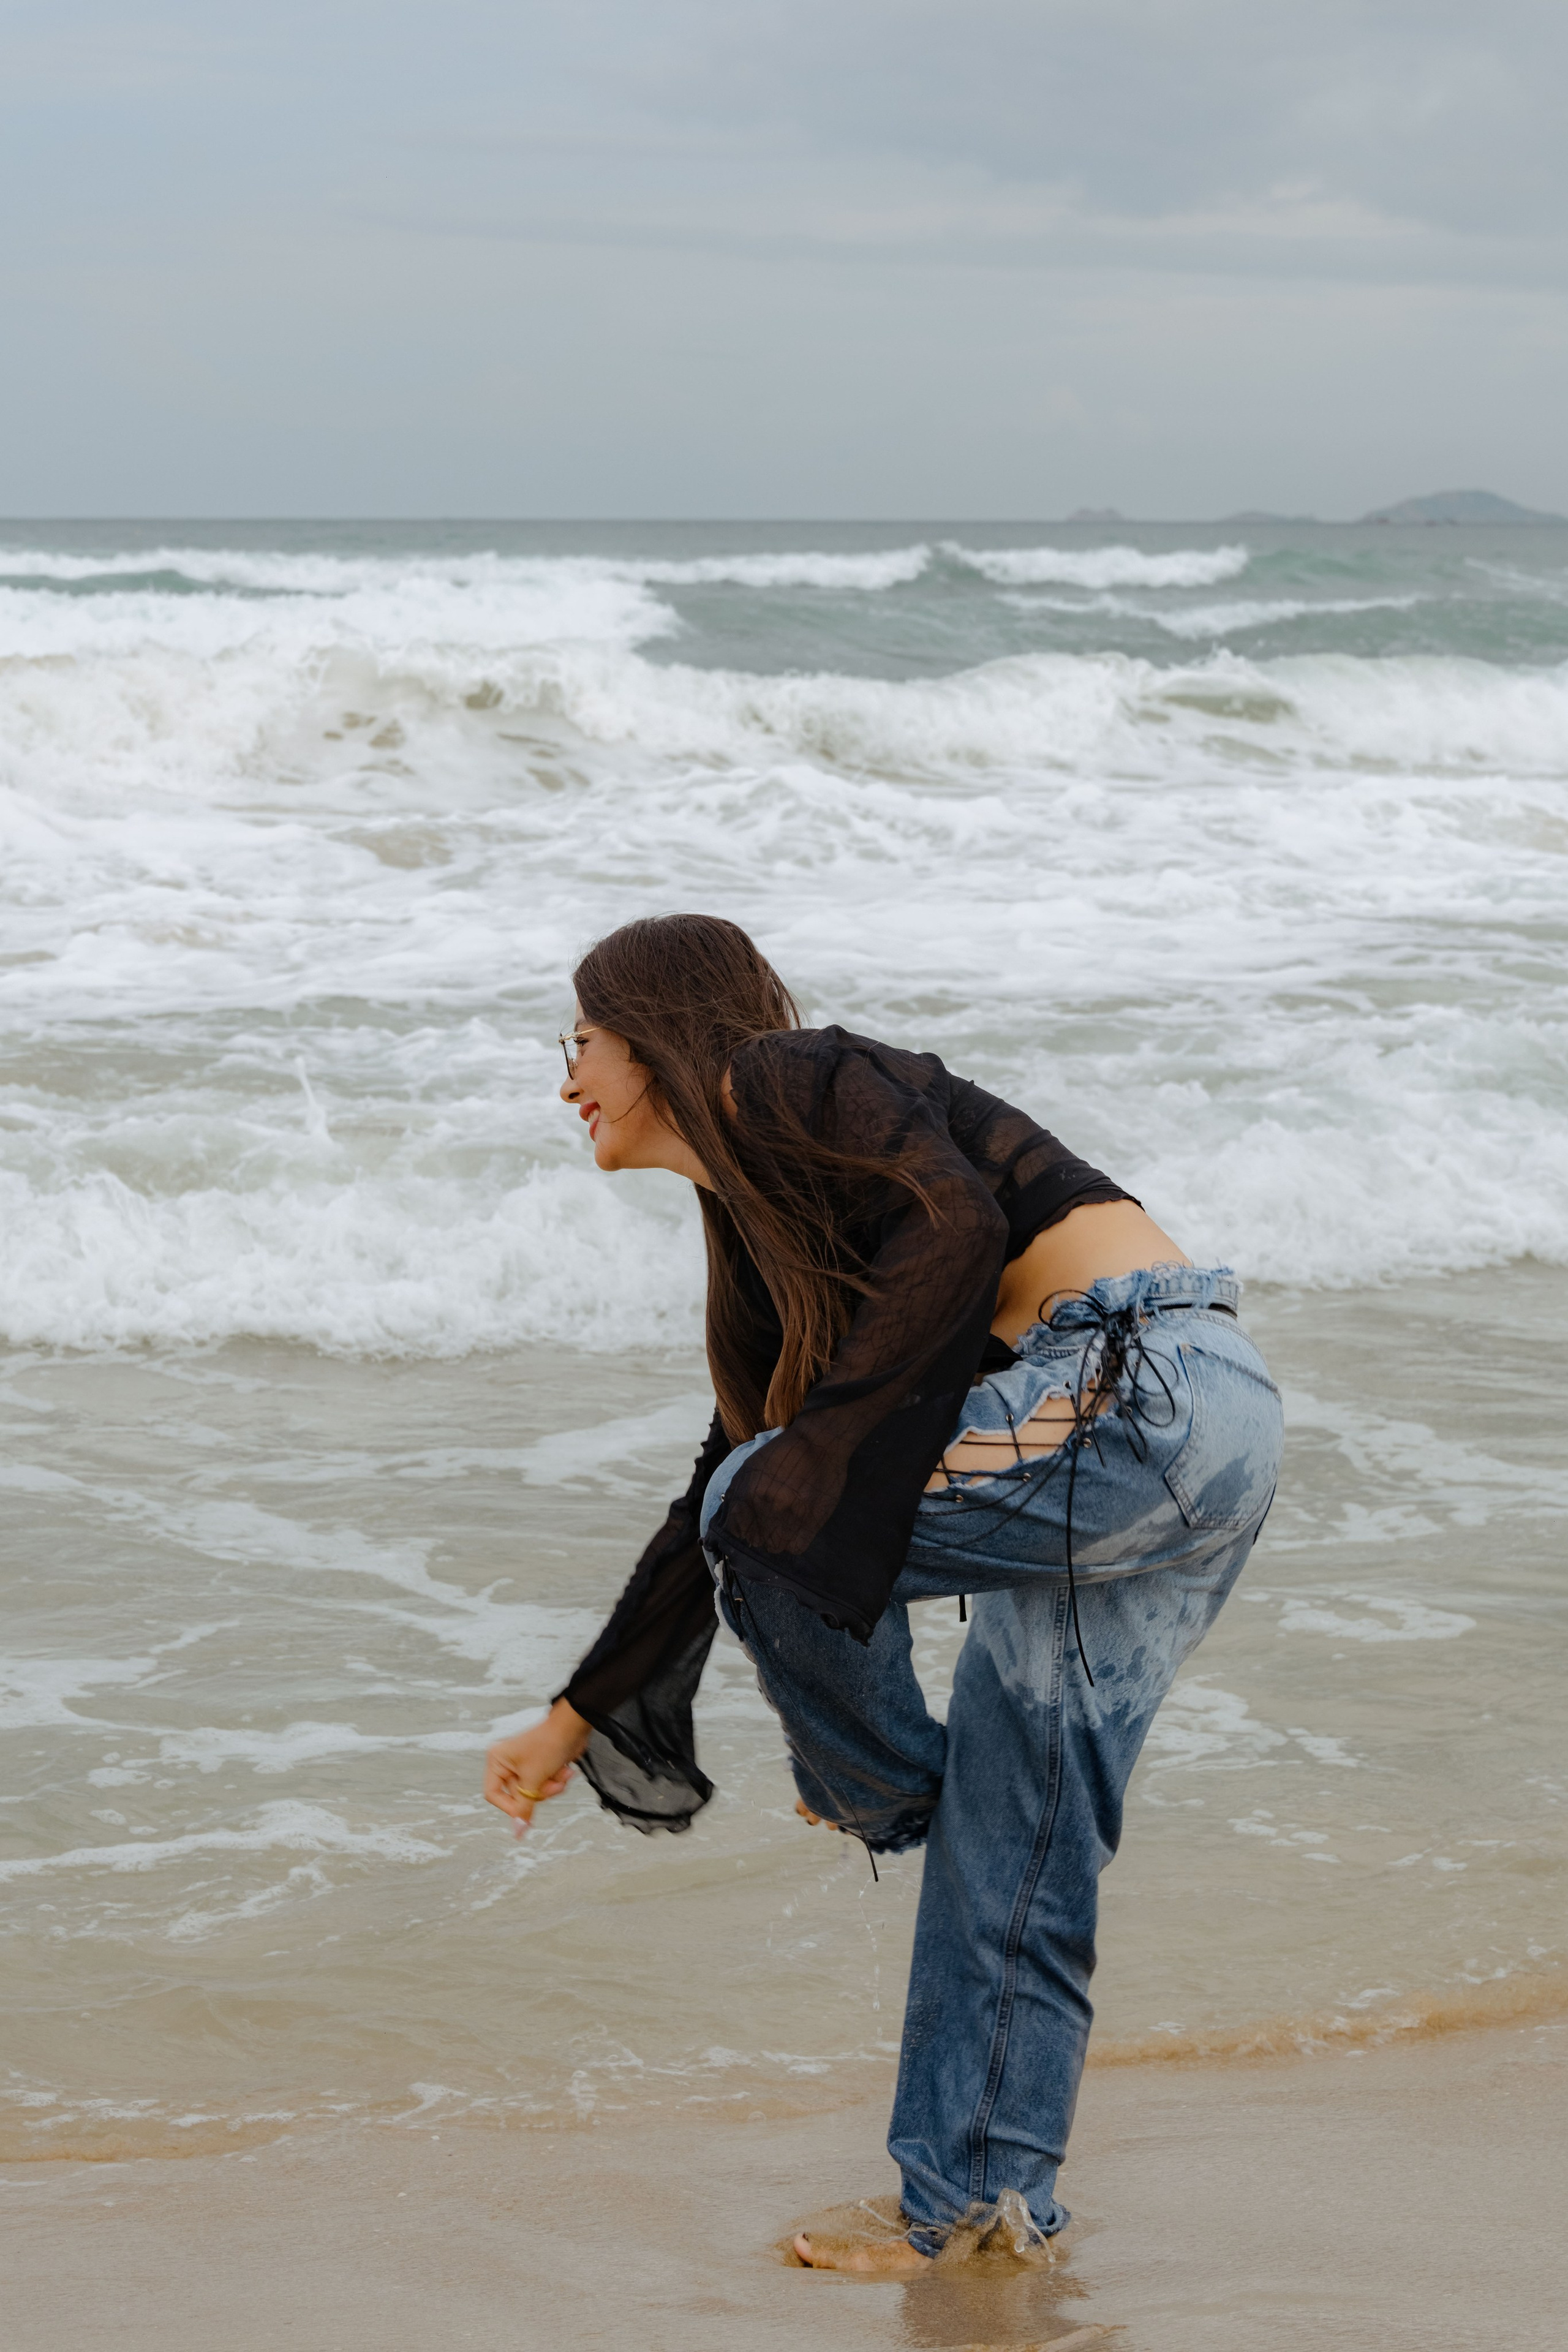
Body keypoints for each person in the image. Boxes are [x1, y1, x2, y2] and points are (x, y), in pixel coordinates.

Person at [484, 914, 1284, 2271]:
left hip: (1129, 1393)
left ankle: (888, 1789)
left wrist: (830, 1462)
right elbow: (721, 1501)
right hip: (1199, 1433)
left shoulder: (781, 1077)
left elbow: (953, 1221)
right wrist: (572, 1720)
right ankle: (969, 2215)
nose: (566, 1082)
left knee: (783, 1511)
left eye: (579, 1042)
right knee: (1013, 1836)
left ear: (651, 1031)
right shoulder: (766, 1230)